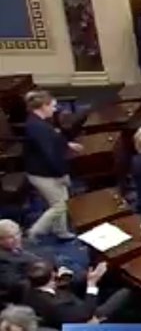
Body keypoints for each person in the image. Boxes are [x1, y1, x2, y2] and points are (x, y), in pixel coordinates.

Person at [22, 91, 79, 241]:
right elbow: (49, 154)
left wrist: (67, 144)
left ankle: (61, 231)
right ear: (42, 106)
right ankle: (34, 231)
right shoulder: (37, 127)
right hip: (43, 174)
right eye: (53, 106)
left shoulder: (42, 121)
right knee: (59, 206)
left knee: (62, 202)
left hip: (47, 170)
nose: (55, 109)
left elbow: (54, 139)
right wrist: (62, 174)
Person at [24, 259, 131, 328]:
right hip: (87, 318)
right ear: (52, 277)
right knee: (125, 292)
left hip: (69, 304)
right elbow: (87, 314)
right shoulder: (58, 305)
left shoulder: (27, 289)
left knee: (83, 276)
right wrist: (91, 283)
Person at [0, 221, 41, 302]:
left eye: (17, 234)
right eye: (10, 237)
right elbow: (13, 284)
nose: (16, 238)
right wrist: (42, 280)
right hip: (30, 291)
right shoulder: (3, 260)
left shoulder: (25, 243)